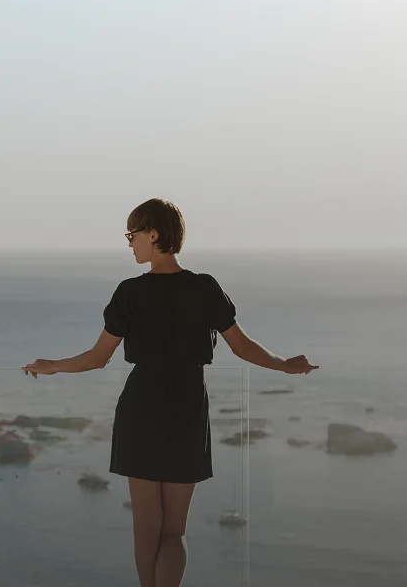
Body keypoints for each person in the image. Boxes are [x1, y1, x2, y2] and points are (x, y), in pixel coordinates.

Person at [22, 198, 318, 587]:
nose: (129, 243)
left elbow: (97, 358)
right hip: (187, 406)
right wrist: (284, 364)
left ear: (154, 234)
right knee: (174, 532)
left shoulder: (130, 293)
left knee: (146, 528)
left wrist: (51, 364)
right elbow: (241, 346)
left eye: (132, 234)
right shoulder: (205, 287)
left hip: (141, 406)